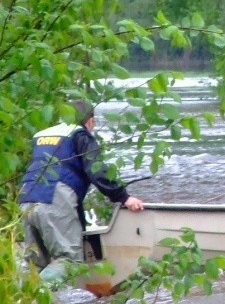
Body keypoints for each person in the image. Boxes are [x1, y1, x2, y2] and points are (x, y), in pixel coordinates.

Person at [19, 100, 144, 279]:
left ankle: (19, 301)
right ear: (90, 121)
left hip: (26, 197)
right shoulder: (80, 135)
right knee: (69, 260)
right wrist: (124, 197)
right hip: (53, 197)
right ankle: (41, 289)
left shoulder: (42, 135)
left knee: (33, 264)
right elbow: (97, 171)